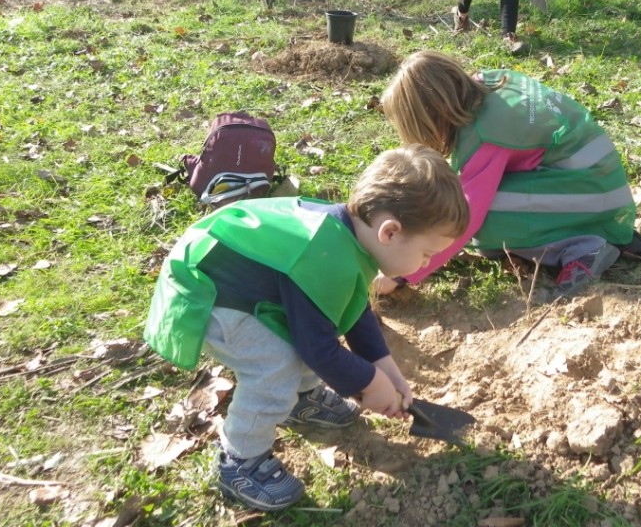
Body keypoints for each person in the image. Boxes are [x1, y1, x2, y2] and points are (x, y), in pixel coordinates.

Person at [143, 144, 469, 512]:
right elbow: (318, 347)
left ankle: (301, 398)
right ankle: (239, 460)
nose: (426, 264)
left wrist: (384, 368)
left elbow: (351, 309)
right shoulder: (324, 253)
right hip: (205, 293)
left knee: (302, 331)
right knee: (276, 365)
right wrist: (369, 384)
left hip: (236, 284)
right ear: (390, 232)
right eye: (426, 253)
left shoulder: (347, 238)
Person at [377, 51, 641, 298]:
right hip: (595, 184)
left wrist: (403, 272)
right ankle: (575, 230)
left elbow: (466, 215)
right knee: (481, 219)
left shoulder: (488, 136)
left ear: (430, 116)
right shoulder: (487, 86)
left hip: (593, 194)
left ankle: (584, 246)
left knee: (484, 222)